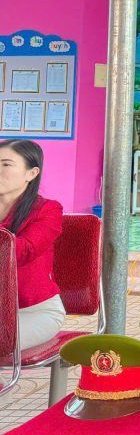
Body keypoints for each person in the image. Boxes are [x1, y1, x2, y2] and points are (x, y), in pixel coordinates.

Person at [0, 140, 65, 350]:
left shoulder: (48, 210)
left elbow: (23, 251)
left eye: (6, 164)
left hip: (35, 311)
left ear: (31, 173)